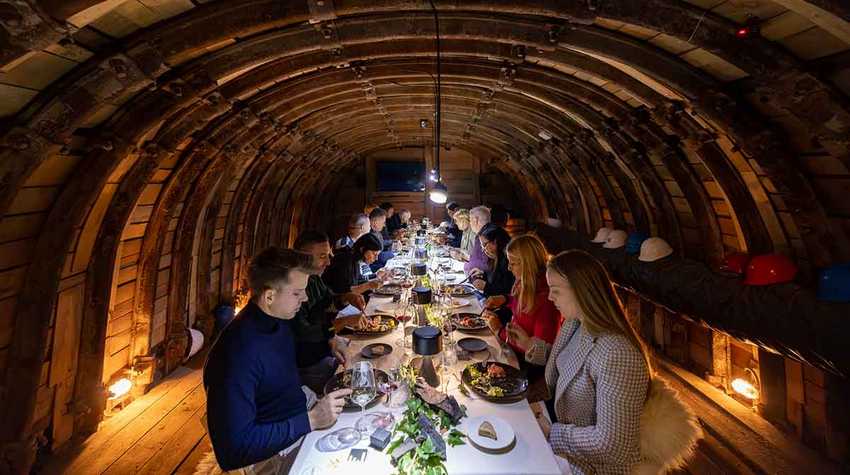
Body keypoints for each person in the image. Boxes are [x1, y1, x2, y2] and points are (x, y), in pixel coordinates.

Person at [204, 247, 351, 471]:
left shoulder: (277, 319)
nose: (306, 298)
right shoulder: (236, 355)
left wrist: (328, 345)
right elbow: (231, 451)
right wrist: (311, 420)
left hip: (301, 414)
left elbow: (284, 363)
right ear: (270, 295)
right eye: (297, 292)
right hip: (275, 454)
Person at [542, 250, 651, 475]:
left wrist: (553, 433)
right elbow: (567, 363)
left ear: (582, 292)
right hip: (565, 442)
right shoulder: (576, 324)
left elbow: (613, 447)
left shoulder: (617, 354)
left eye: (556, 291)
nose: (550, 297)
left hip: (591, 467)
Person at [292, 231, 369, 393]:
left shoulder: (313, 278)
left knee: (363, 358)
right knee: (360, 380)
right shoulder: (292, 288)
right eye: (322, 256)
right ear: (302, 257)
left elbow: (330, 301)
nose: (328, 262)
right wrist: (341, 323)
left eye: (328, 255)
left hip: (326, 347)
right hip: (309, 363)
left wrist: (347, 297)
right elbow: (304, 333)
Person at [481, 234, 560, 378]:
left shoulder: (547, 300)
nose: (509, 268)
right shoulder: (524, 283)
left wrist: (499, 330)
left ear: (528, 264)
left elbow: (538, 355)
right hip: (512, 350)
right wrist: (505, 299)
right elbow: (522, 305)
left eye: (514, 263)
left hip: (526, 367)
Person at [471, 224, 515, 298]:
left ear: (495, 242)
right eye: (482, 246)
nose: (483, 249)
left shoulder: (509, 259)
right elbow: (495, 279)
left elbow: (509, 290)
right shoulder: (494, 257)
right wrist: (483, 274)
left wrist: (486, 287)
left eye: (485, 244)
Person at [463, 205, 492, 275]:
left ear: (475, 220)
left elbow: (488, 265)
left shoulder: (486, 236)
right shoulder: (480, 234)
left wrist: (466, 265)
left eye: (470, 220)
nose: (470, 223)